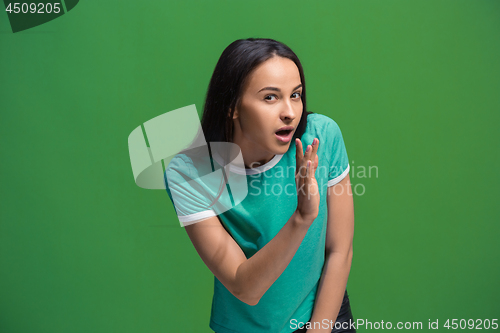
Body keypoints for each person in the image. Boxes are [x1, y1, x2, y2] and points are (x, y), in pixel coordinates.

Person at [165, 38, 355, 333]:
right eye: (270, 97)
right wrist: (302, 218)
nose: (290, 112)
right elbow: (245, 288)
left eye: (296, 95)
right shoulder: (190, 173)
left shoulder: (321, 136)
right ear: (232, 106)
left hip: (324, 315)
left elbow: (340, 250)